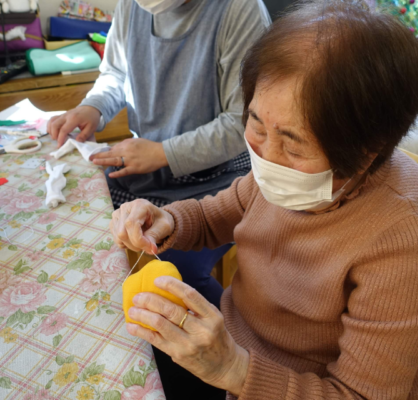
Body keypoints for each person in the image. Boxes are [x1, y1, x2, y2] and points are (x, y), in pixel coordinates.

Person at [110, 0, 418, 399]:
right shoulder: (290, 175)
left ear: (367, 151)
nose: (264, 156)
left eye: (293, 147)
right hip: (238, 354)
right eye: (256, 125)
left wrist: (233, 369)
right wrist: (167, 220)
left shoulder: (409, 236)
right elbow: (217, 214)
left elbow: (361, 395)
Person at [47, 0, 271, 310]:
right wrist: (94, 106)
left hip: (219, 177)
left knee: (175, 275)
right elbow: (115, 73)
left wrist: (163, 153)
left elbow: (242, 124)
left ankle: (234, 337)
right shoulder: (132, 5)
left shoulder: (238, 9)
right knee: (85, 226)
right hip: (148, 167)